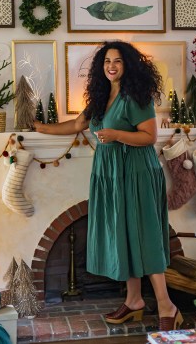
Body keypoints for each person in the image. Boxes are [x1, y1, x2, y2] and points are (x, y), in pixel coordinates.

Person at [34, 40, 183, 331]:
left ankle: (167, 305)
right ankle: (134, 300)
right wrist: (41, 129)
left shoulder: (137, 97)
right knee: (123, 234)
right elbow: (77, 125)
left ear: (128, 65)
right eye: (106, 62)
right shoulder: (101, 98)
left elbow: (149, 137)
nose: (111, 66)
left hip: (137, 172)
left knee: (144, 236)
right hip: (111, 173)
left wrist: (116, 134)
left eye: (117, 61)